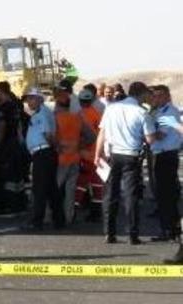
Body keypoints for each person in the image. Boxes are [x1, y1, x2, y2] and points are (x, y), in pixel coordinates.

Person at [94, 82, 158, 245]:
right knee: (131, 196)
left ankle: (109, 233)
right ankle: (132, 234)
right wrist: (158, 133)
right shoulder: (141, 112)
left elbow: (102, 133)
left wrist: (97, 154)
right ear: (142, 94)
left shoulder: (111, 108)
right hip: (131, 156)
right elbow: (150, 139)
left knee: (110, 194)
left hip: (113, 155)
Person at [24, 88, 65, 231]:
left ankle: (37, 221)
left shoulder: (42, 114)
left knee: (40, 188)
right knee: (51, 188)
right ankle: (59, 219)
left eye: (32, 98)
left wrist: (55, 147)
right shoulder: (40, 113)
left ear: (39, 99)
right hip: (43, 153)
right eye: (28, 99)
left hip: (43, 152)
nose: (29, 101)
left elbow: (47, 134)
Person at [53, 81, 94, 225]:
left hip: (61, 158)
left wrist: (57, 146)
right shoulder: (77, 118)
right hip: (74, 158)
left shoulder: (55, 118)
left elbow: (51, 137)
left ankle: (52, 216)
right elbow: (91, 136)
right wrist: (78, 145)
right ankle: (69, 217)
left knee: (55, 188)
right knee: (70, 190)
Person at [147, 85, 181, 242]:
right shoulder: (157, 111)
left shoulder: (169, 112)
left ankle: (169, 230)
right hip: (159, 155)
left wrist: (145, 133)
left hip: (166, 155)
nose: (156, 98)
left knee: (166, 194)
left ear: (168, 96)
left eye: (160, 95)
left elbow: (159, 135)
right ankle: (170, 228)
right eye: (154, 96)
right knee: (163, 194)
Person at [0, 82, 26, 215]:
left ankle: (9, 206)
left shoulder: (4, 107)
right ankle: (20, 204)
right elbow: (19, 127)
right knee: (17, 176)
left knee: (7, 175)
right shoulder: (15, 106)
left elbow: (2, 128)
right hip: (15, 143)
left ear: (1, 91)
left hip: (7, 144)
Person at [76, 89, 103, 222]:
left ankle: (74, 209)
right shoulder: (96, 113)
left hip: (85, 153)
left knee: (81, 183)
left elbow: (86, 136)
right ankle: (96, 210)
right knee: (96, 183)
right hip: (97, 153)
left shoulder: (81, 115)